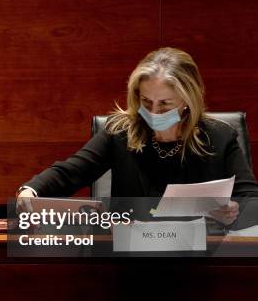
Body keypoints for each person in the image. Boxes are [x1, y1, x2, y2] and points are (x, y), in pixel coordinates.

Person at [17, 47, 258, 226]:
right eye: (146, 101)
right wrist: (31, 190)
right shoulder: (121, 131)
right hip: (132, 259)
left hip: (198, 261)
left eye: (165, 104)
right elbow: (72, 171)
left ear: (187, 101)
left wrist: (234, 210)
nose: (153, 112)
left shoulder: (219, 137)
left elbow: (253, 203)